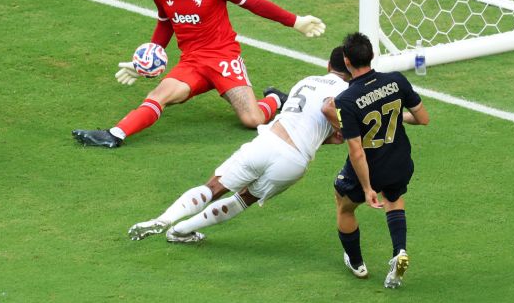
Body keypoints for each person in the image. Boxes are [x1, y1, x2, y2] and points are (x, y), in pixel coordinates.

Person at [72, 0, 326, 148]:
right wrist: (147, 60)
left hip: (224, 58)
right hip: (192, 62)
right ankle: (114, 135)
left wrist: (295, 21)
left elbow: (253, 3)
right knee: (158, 97)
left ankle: (274, 99)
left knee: (252, 120)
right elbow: (164, 23)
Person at [127, 46, 350, 243]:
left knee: (213, 187)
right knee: (244, 199)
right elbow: (328, 130)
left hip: (268, 142)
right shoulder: (347, 93)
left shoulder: (306, 81)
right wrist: (347, 130)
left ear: (328, 65)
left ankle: (163, 219)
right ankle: (181, 231)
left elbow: (304, 117)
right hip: (295, 160)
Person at [331, 32, 429, 289]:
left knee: (344, 204)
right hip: (399, 162)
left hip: (371, 167)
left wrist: (366, 189)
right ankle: (400, 251)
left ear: (346, 61)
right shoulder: (396, 81)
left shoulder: (346, 100)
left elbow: (357, 151)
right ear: (372, 55)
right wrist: (394, 118)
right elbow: (423, 118)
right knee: (394, 200)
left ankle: (357, 263)